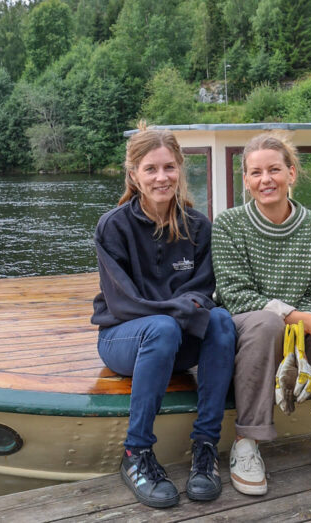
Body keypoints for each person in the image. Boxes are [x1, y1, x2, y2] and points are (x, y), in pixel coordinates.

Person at [211, 132, 311, 493]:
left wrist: (308, 328)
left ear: (292, 173)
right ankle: (247, 442)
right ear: (246, 181)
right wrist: (302, 320)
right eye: (255, 173)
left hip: (295, 331)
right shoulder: (228, 225)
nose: (265, 180)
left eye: (274, 170)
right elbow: (236, 297)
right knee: (266, 322)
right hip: (249, 335)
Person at [92, 127, 236, 509]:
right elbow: (123, 304)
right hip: (122, 339)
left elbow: (203, 294)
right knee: (162, 326)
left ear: (180, 169)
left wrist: (183, 312)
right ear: (133, 173)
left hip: (176, 337)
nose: (161, 177)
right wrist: (176, 311)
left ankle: (205, 447)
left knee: (221, 320)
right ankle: (136, 452)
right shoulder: (113, 226)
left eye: (169, 167)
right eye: (151, 168)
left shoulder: (199, 227)